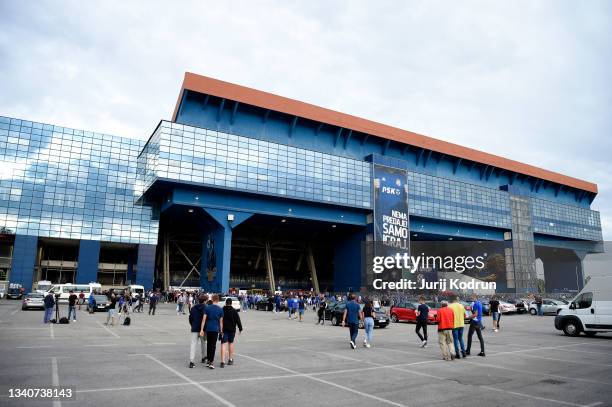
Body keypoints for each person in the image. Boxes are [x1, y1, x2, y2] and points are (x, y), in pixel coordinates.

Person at [200, 294, 224, 369]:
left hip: (208, 329)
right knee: (213, 346)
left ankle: (208, 361)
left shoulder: (207, 308)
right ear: (218, 300)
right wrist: (221, 331)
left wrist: (201, 330)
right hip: (215, 329)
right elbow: (221, 322)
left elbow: (203, 320)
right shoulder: (220, 309)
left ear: (212, 299)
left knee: (209, 344)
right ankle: (211, 362)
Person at [220, 297, 243, 367]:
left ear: (225, 303)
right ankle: (230, 359)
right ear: (231, 303)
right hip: (232, 330)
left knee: (223, 344)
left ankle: (222, 362)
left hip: (224, 330)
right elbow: (238, 320)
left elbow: (219, 320)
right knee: (231, 343)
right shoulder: (234, 311)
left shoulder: (222, 310)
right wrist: (240, 328)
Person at [188, 294, 208, 368]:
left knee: (193, 345)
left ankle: (191, 361)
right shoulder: (206, 308)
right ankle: (204, 357)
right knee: (204, 343)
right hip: (203, 329)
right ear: (205, 301)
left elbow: (190, 318)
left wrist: (192, 325)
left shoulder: (193, 308)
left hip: (195, 328)